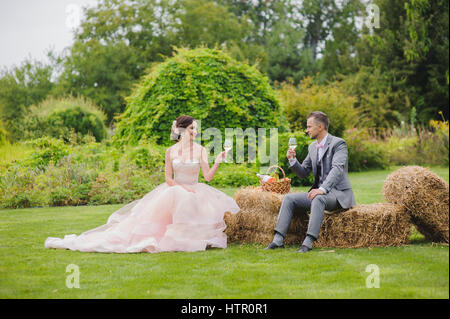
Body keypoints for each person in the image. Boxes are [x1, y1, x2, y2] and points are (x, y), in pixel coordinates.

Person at [45, 115, 240, 253]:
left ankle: (189, 240)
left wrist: (218, 161)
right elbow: (168, 179)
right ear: (181, 130)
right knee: (177, 197)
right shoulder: (170, 151)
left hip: (196, 191)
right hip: (175, 189)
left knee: (190, 199)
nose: (195, 132)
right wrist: (183, 188)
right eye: (191, 129)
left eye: (196, 129)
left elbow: (207, 177)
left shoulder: (201, 150)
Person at [265, 111, 355, 253]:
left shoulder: (339, 144)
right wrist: (292, 160)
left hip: (337, 195)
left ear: (320, 127)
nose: (306, 130)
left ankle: (308, 242)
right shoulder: (312, 147)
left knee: (318, 198)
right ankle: (278, 239)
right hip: (319, 195)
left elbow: (337, 169)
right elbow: (303, 172)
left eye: (309, 126)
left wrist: (323, 189)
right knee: (289, 198)